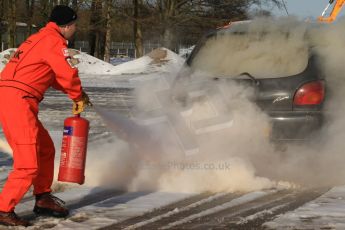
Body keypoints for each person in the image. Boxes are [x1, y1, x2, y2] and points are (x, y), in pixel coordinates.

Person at [0, 5, 91, 226]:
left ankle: (43, 198)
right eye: (75, 25)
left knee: (45, 148)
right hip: (18, 100)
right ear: (67, 25)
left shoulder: (40, 38)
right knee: (28, 163)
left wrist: (77, 95)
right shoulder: (54, 42)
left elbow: (48, 75)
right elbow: (67, 73)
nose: (75, 29)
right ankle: (3, 209)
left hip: (12, 96)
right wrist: (77, 95)